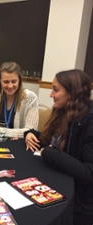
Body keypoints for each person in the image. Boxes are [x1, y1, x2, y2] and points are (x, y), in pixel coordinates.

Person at [24, 69, 93, 225]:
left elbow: (89, 171)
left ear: (72, 92)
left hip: (81, 206)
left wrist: (49, 153)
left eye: (55, 89)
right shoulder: (65, 111)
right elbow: (52, 140)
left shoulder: (89, 121)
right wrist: (29, 133)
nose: (50, 94)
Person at [0, 62, 38, 138]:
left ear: (19, 81)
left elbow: (31, 131)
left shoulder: (30, 98)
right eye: (6, 82)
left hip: (18, 144)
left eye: (14, 81)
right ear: (0, 82)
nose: (10, 86)